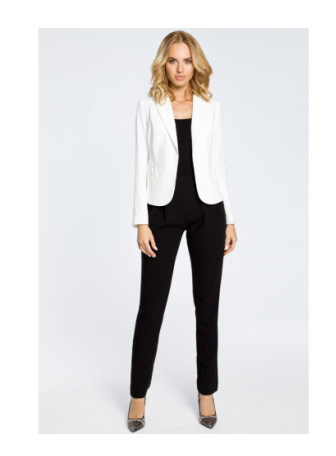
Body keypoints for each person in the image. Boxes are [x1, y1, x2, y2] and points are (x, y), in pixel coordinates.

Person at [127, 30, 237, 432]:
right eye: (173, 60)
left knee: (207, 307)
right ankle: (138, 395)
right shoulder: (148, 107)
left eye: (187, 60)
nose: (180, 68)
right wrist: (141, 220)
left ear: (196, 64)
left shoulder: (211, 108)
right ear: (164, 63)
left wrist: (229, 218)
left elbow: (218, 165)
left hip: (209, 211)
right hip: (162, 213)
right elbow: (141, 165)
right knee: (151, 308)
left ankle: (206, 391)